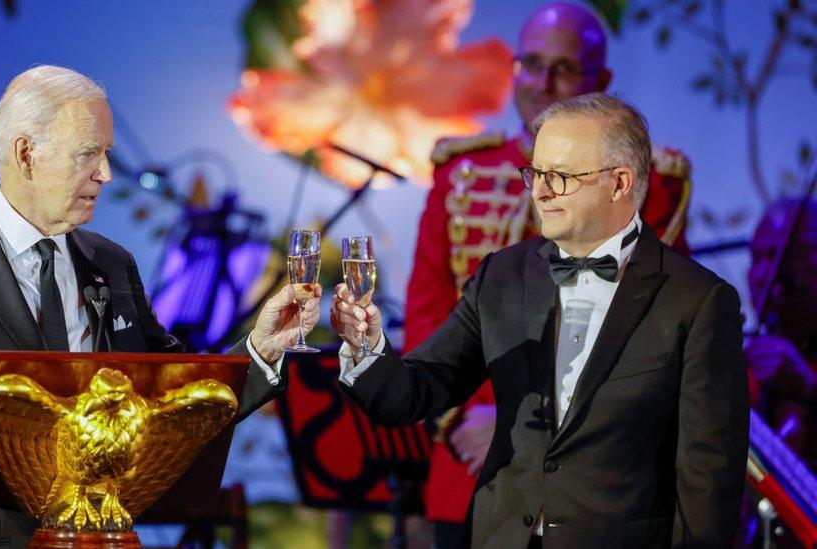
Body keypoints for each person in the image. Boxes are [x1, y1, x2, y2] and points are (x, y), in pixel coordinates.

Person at [0, 65, 319, 548]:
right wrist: (13, 468)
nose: (106, 175)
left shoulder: (111, 263)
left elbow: (174, 394)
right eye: (88, 154)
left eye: (106, 154)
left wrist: (261, 349)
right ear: (26, 153)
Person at [332, 93, 748, 547]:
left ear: (620, 183)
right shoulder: (502, 275)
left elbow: (709, 479)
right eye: (536, 172)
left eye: (561, 176)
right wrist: (365, 345)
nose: (540, 191)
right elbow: (416, 391)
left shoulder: (698, 300)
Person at [407, 4, 693, 544]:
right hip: (471, 463)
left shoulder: (651, 185)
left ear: (601, 82)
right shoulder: (460, 174)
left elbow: (652, 336)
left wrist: (525, 424)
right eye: (531, 64)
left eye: (564, 68)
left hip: (593, 479)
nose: (543, 83)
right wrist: (466, 422)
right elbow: (428, 312)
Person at [746, 197, 817, 464]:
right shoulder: (744, 366)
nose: (764, 273)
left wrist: (809, 389)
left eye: (776, 256)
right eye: (756, 257)